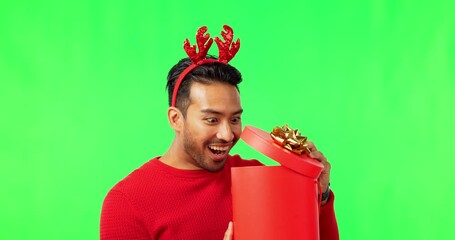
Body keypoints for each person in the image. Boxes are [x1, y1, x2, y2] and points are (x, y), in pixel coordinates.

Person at [100, 26, 339, 240]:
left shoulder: (257, 178)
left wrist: (322, 194)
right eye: (211, 119)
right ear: (176, 119)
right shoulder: (127, 202)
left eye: (234, 119)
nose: (227, 134)